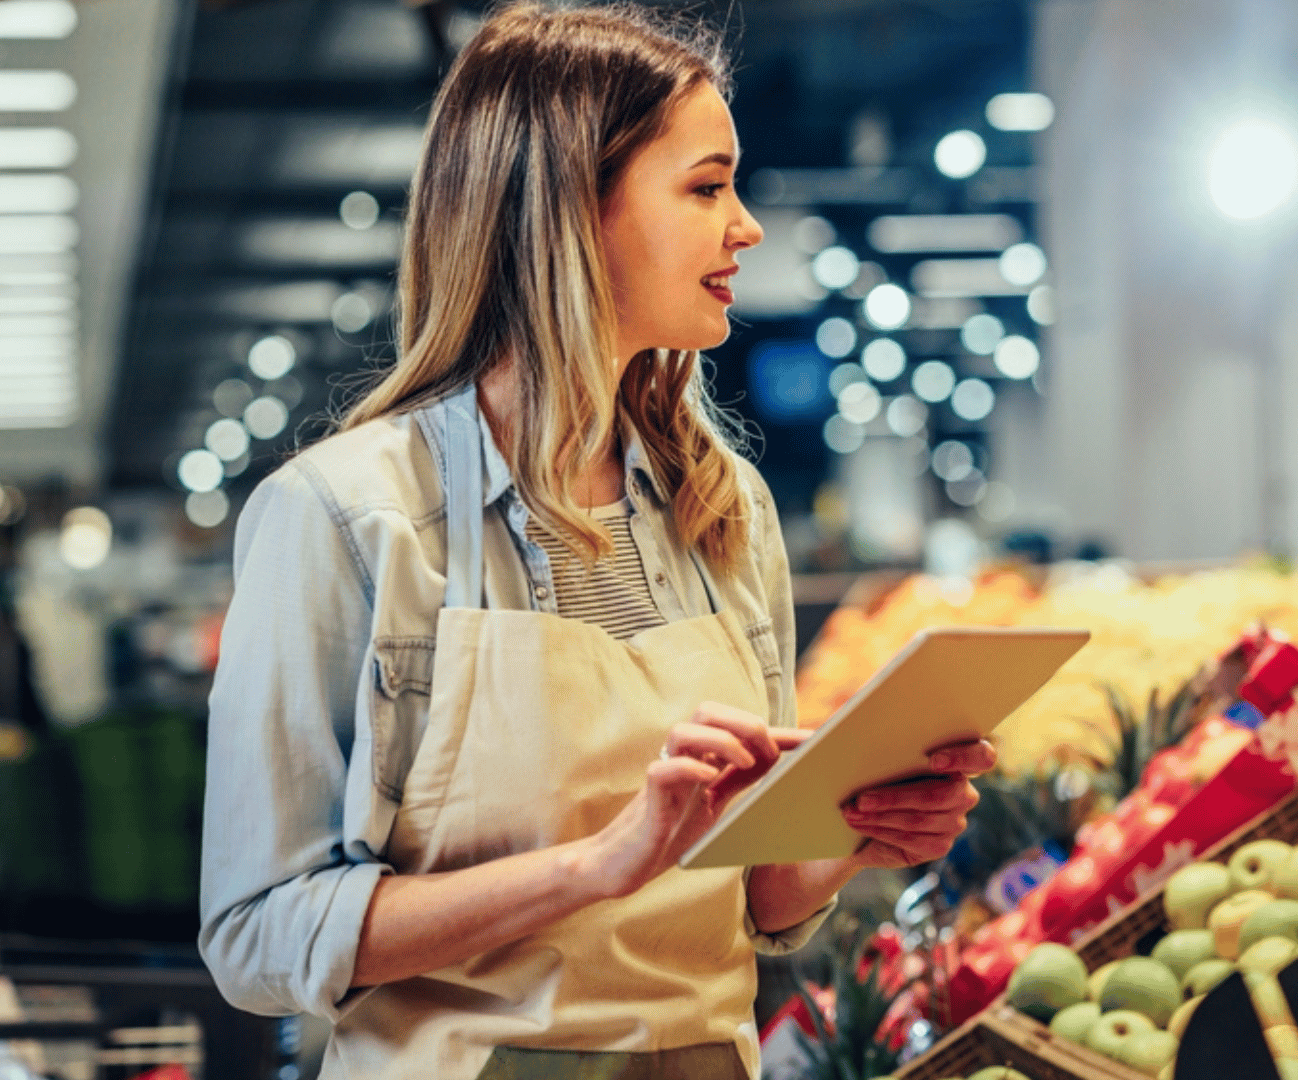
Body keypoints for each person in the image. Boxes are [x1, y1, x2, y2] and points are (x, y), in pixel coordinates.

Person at [198, 4, 996, 1076]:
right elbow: (256, 935)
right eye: (707, 186)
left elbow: (754, 899)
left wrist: (856, 831)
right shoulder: (346, 518)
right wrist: (595, 866)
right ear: (574, 208)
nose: (747, 226)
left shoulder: (722, 507)